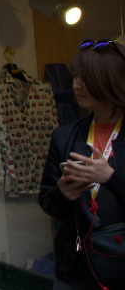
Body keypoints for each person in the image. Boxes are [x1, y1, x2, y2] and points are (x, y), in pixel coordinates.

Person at [38, 40, 125, 289]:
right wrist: (62, 193)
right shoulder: (64, 136)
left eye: (86, 77)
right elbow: (49, 204)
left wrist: (111, 178)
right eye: (76, 76)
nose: (77, 85)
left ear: (110, 79)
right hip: (75, 268)